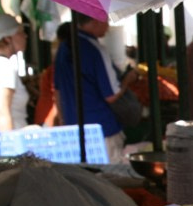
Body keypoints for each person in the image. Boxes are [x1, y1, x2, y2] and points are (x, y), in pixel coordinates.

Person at [54, 14, 137, 163]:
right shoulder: (95, 49)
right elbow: (111, 95)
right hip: (102, 130)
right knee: (108, 179)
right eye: (107, 20)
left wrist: (63, 120)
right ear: (96, 19)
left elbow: (57, 91)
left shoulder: (63, 48)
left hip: (73, 131)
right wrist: (127, 80)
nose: (108, 26)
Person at [0, 13, 29, 132]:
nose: (25, 35)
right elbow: (2, 112)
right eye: (20, 32)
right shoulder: (3, 66)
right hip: (12, 140)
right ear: (7, 38)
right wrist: (11, 146)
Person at [33, 22, 71, 127]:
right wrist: (61, 118)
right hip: (50, 118)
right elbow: (57, 93)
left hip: (47, 116)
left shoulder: (57, 65)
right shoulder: (60, 66)